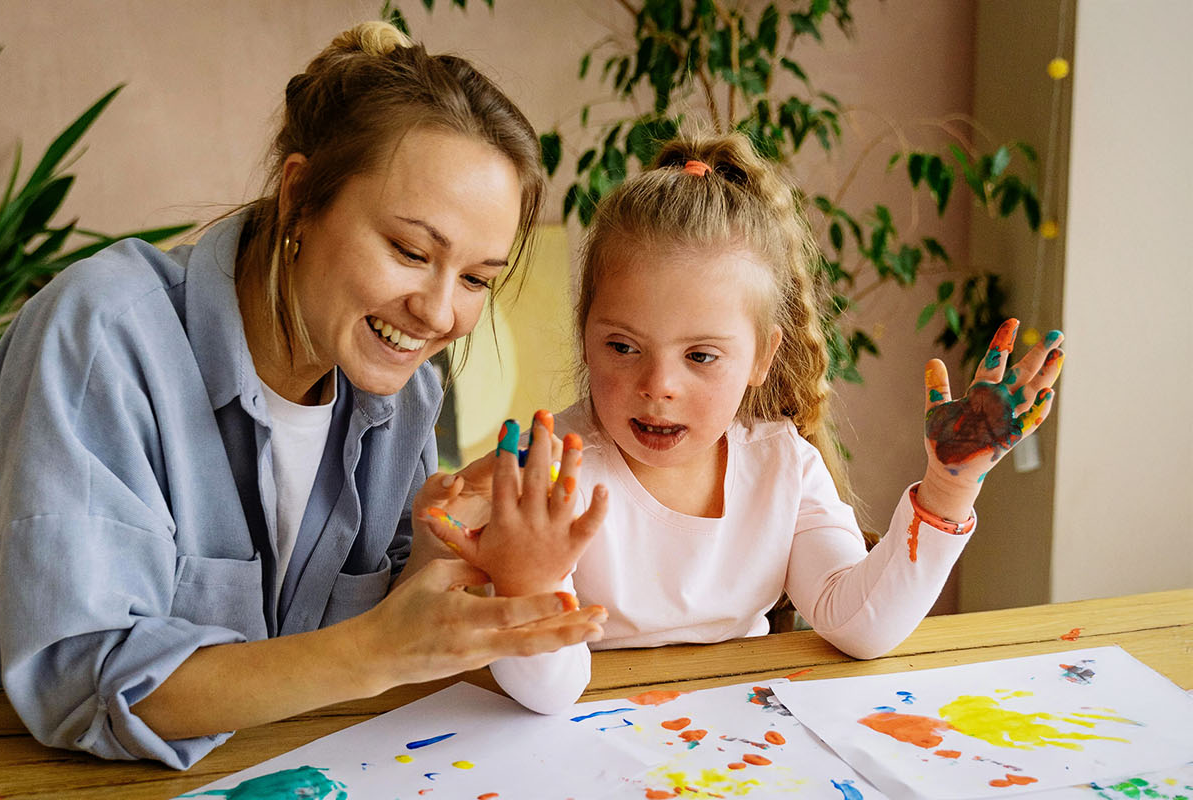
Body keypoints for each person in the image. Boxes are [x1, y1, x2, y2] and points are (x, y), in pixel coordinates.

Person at [0, 21, 608, 769]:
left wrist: (446, 557)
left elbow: (347, 651)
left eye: (477, 278)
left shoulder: (399, 392)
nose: (441, 314)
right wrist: (379, 649)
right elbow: (91, 689)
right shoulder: (103, 334)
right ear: (300, 197)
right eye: (411, 252)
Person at [422, 132, 1066, 713]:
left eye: (701, 356)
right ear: (585, 336)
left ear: (761, 357)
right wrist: (525, 577)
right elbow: (550, 689)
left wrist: (949, 489)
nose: (658, 386)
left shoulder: (783, 468)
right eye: (623, 346)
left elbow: (858, 623)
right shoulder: (549, 477)